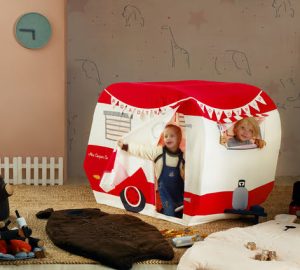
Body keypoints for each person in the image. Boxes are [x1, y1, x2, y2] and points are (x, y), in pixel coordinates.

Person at [118, 124, 185, 218]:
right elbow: (142, 150)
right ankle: (165, 211)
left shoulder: (183, 157)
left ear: (179, 138)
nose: (168, 138)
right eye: (166, 136)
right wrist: (125, 147)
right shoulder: (158, 152)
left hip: (180, 194)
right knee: (170, 214)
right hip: (165, 194)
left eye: (172, 136)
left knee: (182, 213)